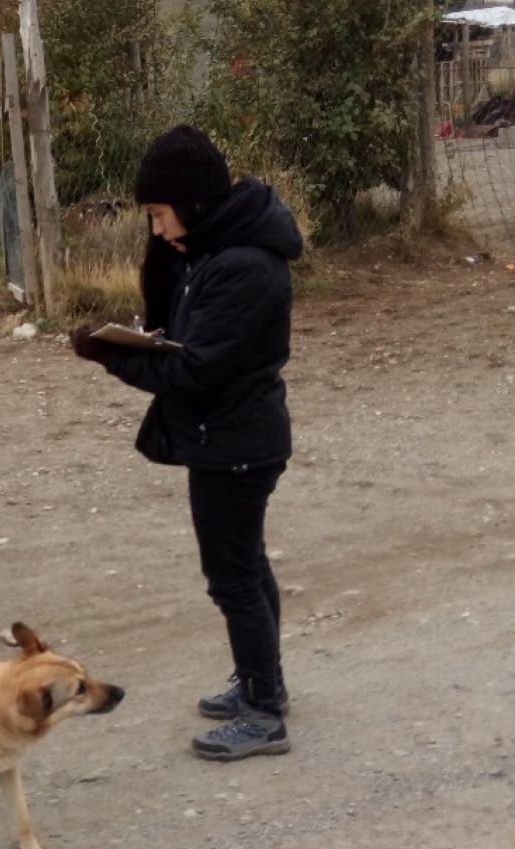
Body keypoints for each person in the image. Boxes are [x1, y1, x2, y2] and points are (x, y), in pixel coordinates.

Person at [68, 125, 303, 761]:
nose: (156, 230)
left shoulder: (244, 268)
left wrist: (111, 357)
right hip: (233, 435)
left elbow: (191, 370)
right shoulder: (214, 252)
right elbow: (184, 337)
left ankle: (262, 710)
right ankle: (265, 685)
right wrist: (166, 268)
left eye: (158, 214)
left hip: (236, 443)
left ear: (192, 204)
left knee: (232, 578)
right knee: (247, 566)